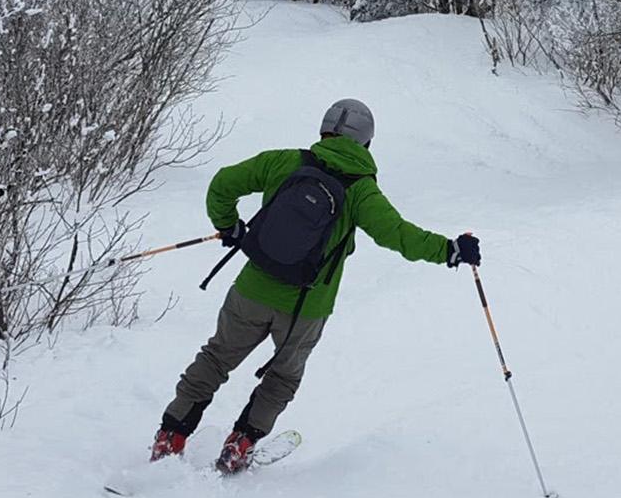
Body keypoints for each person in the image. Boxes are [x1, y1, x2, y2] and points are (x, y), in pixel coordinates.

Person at [152, 98, 480, 472]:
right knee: (283, 376)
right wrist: (450, 250)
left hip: (252, 290)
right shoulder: (361, 190)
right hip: (306, 308)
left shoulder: (283, 162)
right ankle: (240, 445)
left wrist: (228, 226)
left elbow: (223, 183)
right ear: (366, 144)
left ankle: (170, 437)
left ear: (324, 131)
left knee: (215, 359)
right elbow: (398, 235)